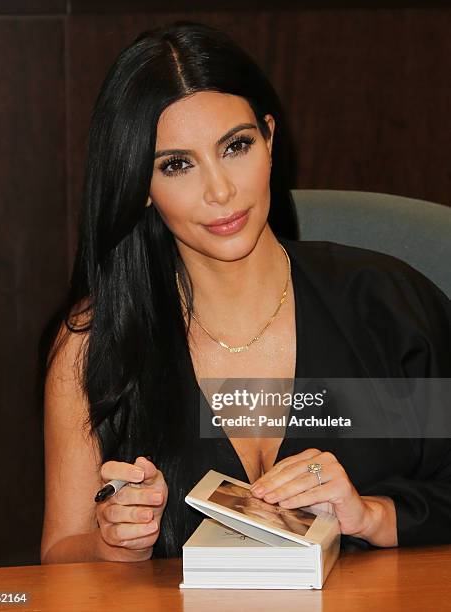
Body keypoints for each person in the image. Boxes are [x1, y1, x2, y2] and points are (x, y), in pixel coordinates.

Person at [38, 20, 451, 564]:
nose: (221, 190)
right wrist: (112, 543)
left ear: (270, 140)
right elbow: (61, 552)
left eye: (236, 146)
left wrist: (370, 514)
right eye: (177, 164)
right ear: (140, 187)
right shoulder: (96, 343)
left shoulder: (391, 311)